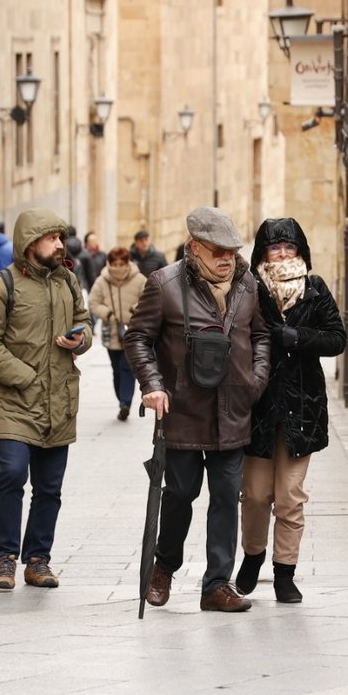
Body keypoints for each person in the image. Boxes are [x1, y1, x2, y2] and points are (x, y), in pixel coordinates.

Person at [124, 207, 270, 613]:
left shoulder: (248, 286)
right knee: (181, 493)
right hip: (184, 411)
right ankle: (164, 565)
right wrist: (153, 386)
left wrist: (255, 380)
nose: (227, 258)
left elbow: (261, 336)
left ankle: (216, 586)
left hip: (232, 411)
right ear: (194, 248)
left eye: (232, 251)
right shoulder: (164, 284)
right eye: (217, 251)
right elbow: (137, 338)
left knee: (225, 496)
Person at [0, 209, 92, 592]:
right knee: (11, 473)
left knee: (50, 487)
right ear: (30, 242)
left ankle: (38, 560)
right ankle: (5, 558)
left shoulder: (68, 281)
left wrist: (80, 339)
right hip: (14, 399)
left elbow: (85, 322)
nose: (61, 244)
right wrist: (23, 376)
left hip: (59, 399)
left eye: (61, 238)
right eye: (52, 238)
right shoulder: (1, 286)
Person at [235, 218, 346, 604]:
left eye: (289, 246)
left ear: (300, 249)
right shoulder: (249, 289)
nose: (282, 253)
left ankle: (285, 572)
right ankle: (252, 556)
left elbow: (337, 338)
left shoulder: (314, 289)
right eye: (274, 247)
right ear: (262, 252)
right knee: (254, 495)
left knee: (290, 496)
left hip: (303, 407)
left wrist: (296, 337)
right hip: (260, 408)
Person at [88, 246, 146, 421]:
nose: (118, 267)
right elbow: (93, 302)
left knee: (127, 367)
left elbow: (149, 299)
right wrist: (107, 314)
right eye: (115, 263)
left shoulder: (139, 279)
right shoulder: (102, 281)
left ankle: (125, 403)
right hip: (111, 331)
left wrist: (135, 309)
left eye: (122, 263)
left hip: (132, 330)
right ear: (110, 263)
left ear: (127, 262)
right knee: (116, 370)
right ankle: (121, 399)